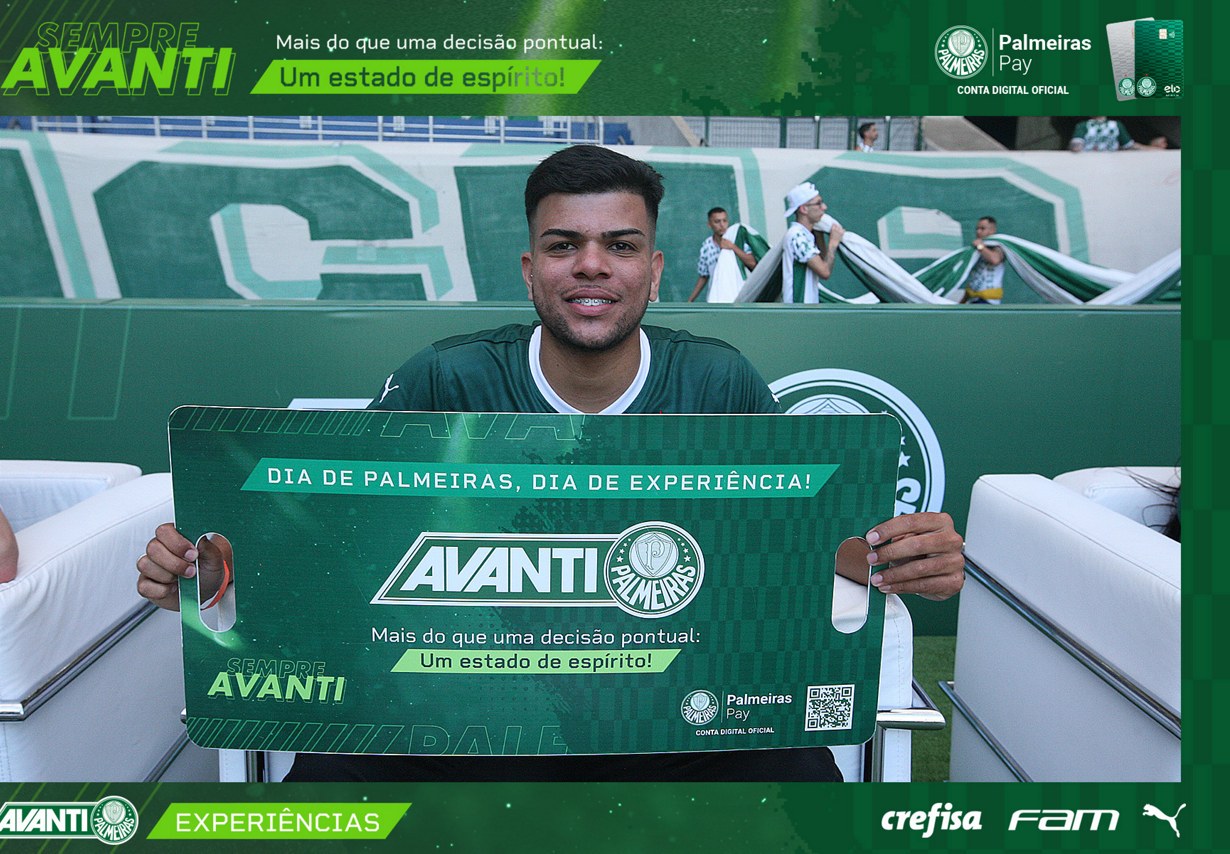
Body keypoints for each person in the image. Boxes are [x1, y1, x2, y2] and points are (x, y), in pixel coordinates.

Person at [137, 145, 964, 781]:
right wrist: (214, 575)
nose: (592, 265)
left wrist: (900, 557)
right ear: (532, 269)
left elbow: (800, 553)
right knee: (327, 779)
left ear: (654, 271)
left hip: (682, 721)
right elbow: (340, 550)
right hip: (462, 722)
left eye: (620, 245)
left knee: (804, 783)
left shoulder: (717, 382)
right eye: (565, 245)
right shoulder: (447, 379)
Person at [782, 182, 844, 303]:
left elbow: (822, 259)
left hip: (806, 309)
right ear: (804, 209)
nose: (824, 207)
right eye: (818, 203)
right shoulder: (797, 236)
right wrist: (833, 242)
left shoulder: (804, 234)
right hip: (799, 309)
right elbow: (824, 272)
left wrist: (819, 232)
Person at [687, 206, 760, 302]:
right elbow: (704, 276)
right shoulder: (707, 246)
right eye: (717, 222)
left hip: (738, 296)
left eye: (724, 221)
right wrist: (690, 300)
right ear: (709, 224)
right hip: (716, 297)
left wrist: (733, 247)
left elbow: (753, 264)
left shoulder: (737, 240)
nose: (722, 225)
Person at [959, 216, 1005, 304]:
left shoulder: (998, 246)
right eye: (977, 228)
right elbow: (974, 276)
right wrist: (963, 301)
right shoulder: (976, 250)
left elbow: (995, 260)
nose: (978, 231)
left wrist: (980, 246)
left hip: (988, 301)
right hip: (973, 299)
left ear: (992, 230)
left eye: (982, 228)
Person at [1068, 117, 1139, 152]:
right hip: (1089, 161)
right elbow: (1075, 145)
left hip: (1111, 162)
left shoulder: (1116, 125)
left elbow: (1128, 146)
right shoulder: (1083, 125)